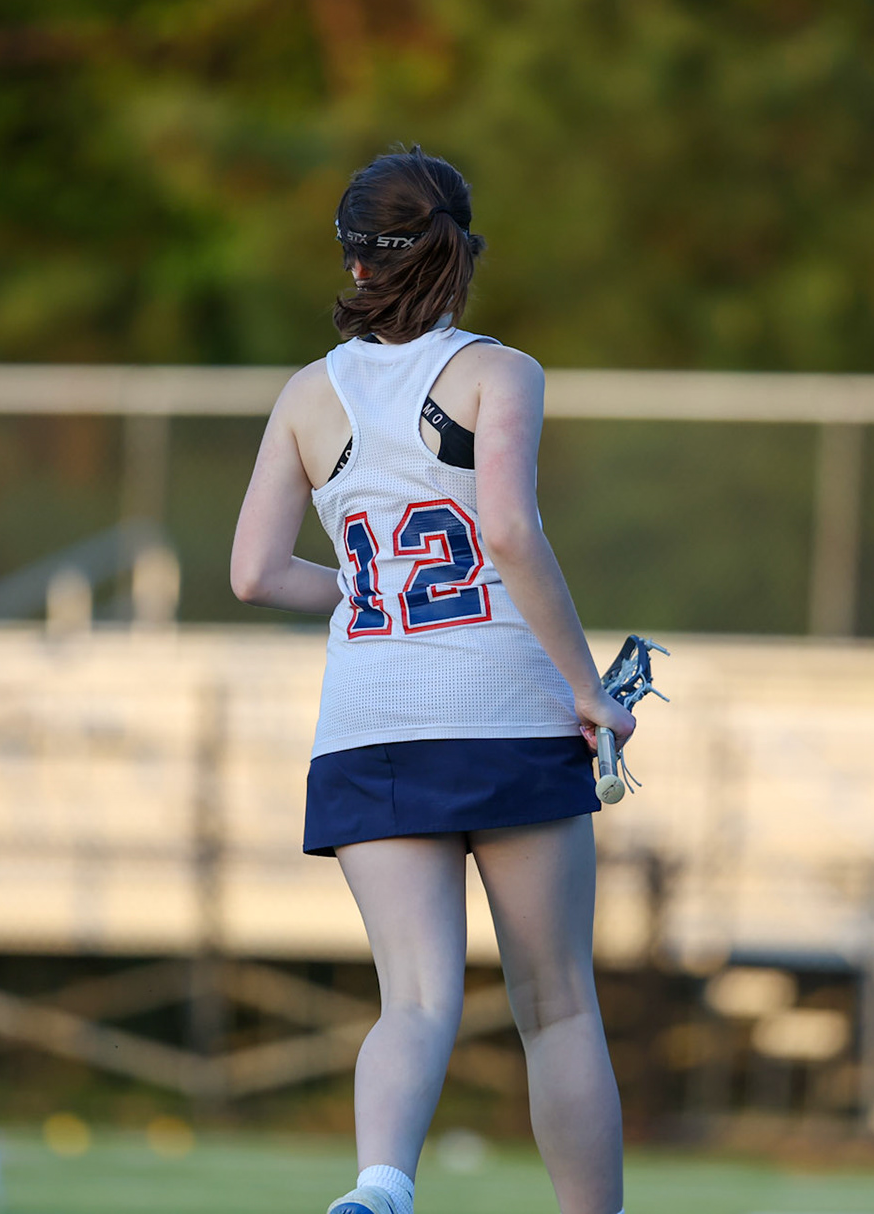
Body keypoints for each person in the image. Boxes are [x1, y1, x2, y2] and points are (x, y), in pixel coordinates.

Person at [231, 147, 634, 1214]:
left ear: (355, 260)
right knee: (556, 1005)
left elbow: (253, 572)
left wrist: (370, 592)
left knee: (411, 996)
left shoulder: (307, 394)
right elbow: (505, 528)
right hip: (502, 713)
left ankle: (379, 1184)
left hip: (368, 726)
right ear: (460, 252)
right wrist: (589, 687)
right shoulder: (500, 371)